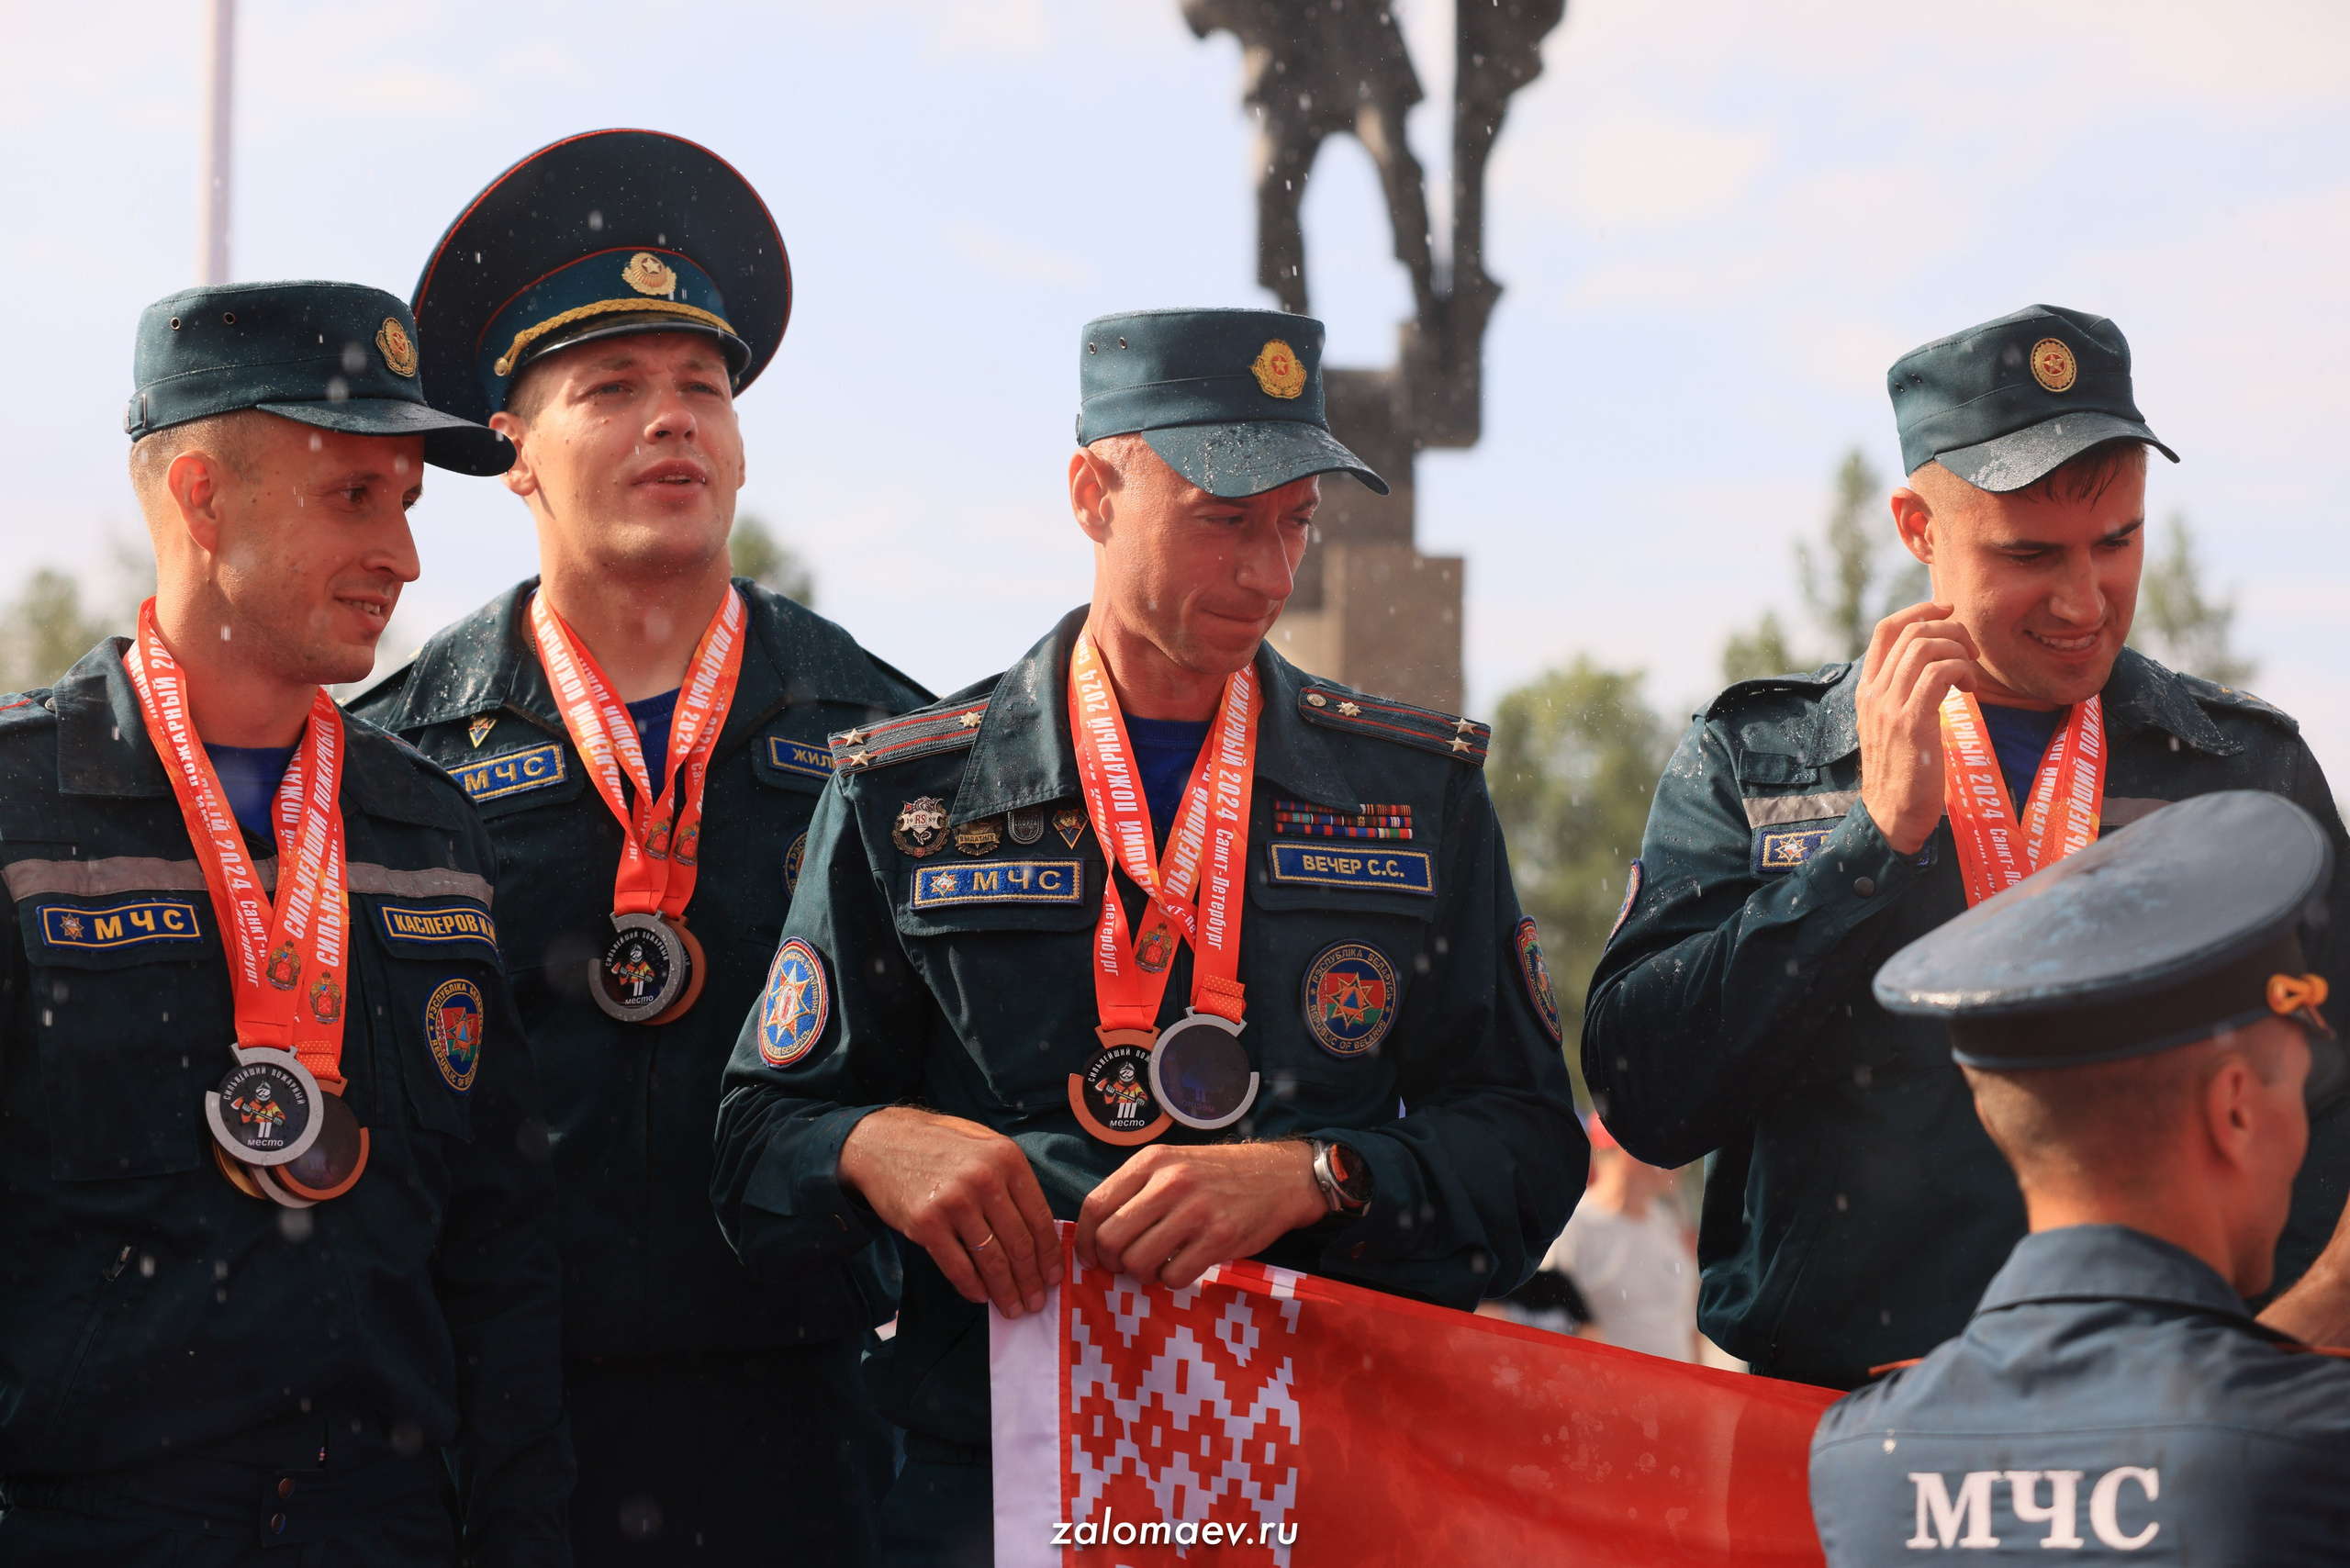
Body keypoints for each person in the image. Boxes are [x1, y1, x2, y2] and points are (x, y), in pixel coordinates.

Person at [711, 307, 1586, 1565]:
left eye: (1298, 521)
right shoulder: (907, 794)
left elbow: (1528, 1145)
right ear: (1092, 493)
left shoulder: (1418, 795)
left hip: (1320, 1473)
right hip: (993, 1482)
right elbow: (754, 1142)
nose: (1271, 574)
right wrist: (870, 1145)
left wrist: (1317, 1177)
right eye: (1224, 518)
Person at [1583, 304, 2350, 1390]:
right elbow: (1647, 1101)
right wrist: (1867, 846)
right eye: (2029, 554)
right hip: (1832, 1438)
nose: (2085, 600)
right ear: (1914, 526)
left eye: (2118, 542)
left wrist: (2286, 1343)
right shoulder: (1762, 762)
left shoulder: (2239, 769)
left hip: (2174, 1434)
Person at [349, 130, 925, 1565]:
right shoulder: (384, 762)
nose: (673, 422)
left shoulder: (907, 745)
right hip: (489, 1433)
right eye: (611, 390)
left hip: (824, 1432)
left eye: (702, 390)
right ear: (513, 461)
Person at [0, 282, 567, 1562]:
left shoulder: (431, 832)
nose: (406, 558)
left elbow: (502, 1258)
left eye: (410, 505)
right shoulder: (19, 812)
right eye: (354, 498)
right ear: (202, 496)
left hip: (388, 1532)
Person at [1810, 789, 2350, 1562]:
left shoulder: (1862, 1454)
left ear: (1995, 1118)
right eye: (2294, 1089)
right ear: (2235, 1108)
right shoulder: (2321, 1445)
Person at [1541, 1115, 1697, 1361]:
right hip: (1605, 1395)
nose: (1679, 1159)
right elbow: (1549, 1329)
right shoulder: (1573, 1230)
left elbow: (1687, 1328)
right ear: (1629, 1154)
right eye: (1669, 1145)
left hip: (1676, 1396)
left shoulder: (1666, 1224)